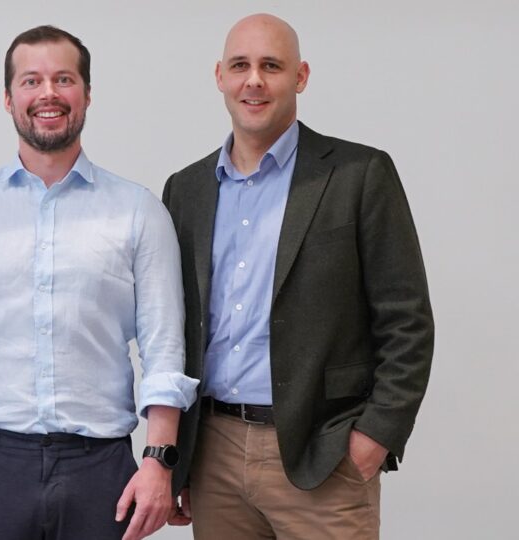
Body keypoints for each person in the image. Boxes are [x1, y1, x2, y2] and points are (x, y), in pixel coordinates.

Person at [0, 25, 198, 540]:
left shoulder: (138, 211)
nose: (48, 93)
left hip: (101, 472)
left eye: (64, 79)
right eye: (31, 80)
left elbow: (164, 349)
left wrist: (158, 460)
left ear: (87, 94)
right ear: (8, 98)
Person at [162, 14, 434, 539]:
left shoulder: (358, 174)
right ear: (219, 76)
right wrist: (179, 456)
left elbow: (408, 320)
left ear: (300, 76)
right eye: (240, 66)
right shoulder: (186, 189)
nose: (254, 80)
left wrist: (375, 435)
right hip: (214, 454)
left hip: (322, 455)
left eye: (271, 66)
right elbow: (177, 329)